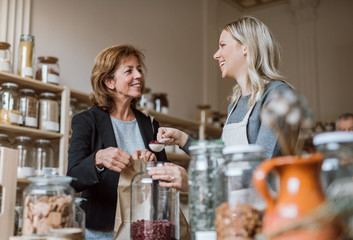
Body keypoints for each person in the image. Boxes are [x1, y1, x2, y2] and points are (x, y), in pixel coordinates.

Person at [67, 44, 187, 239]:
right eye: (129, 71)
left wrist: (152, 164)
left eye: (139, 69)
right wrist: (98, 159)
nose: (138, 75)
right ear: (109, 82)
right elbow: (72, 180)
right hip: (101, 231)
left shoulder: (150, 124)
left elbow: (164, 179)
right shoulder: (86, 121)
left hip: (145, 227)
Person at [157, 16, 295, 159]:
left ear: (245, 46)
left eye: (222, 45)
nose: (216, 55)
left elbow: (265, 164)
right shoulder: (235, 105)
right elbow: (219, 161)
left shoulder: (278, 94)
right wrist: (181, 138)